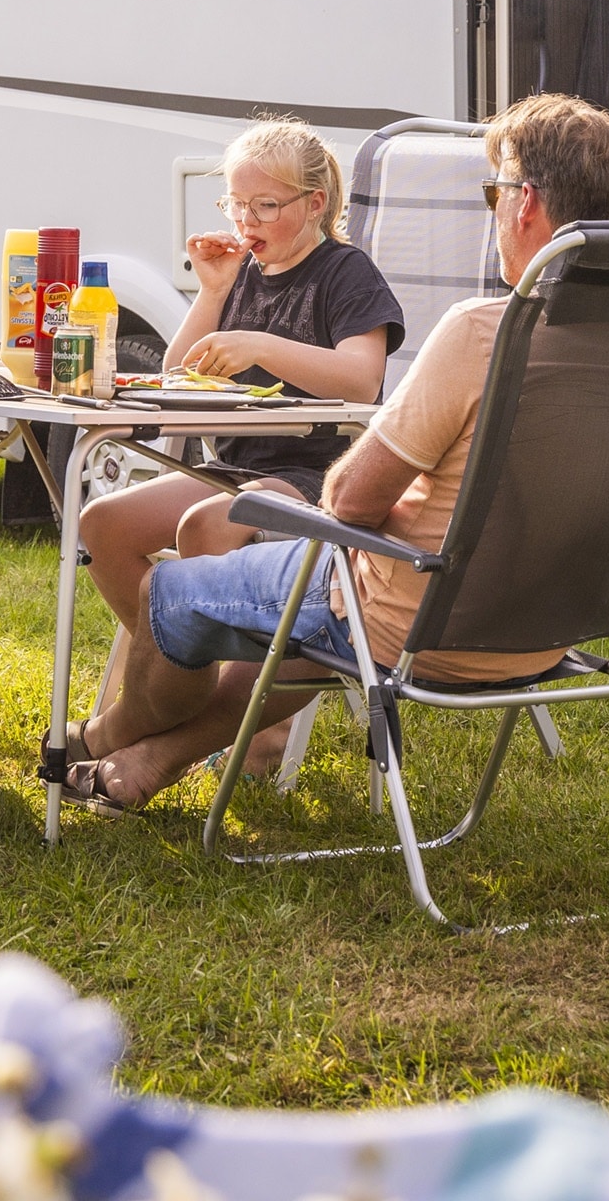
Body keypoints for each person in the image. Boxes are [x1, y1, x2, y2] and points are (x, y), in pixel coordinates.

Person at [64, 93, 609, 811]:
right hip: (553, 622)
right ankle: (156, 754)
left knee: (168, 593)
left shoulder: (478, 332)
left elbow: (348, 502)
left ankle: (100, 736)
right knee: (163, 541)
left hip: (408, 613)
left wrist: (379, 513)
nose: (492, 210)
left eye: (494, 192)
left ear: (525, 207)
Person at [61, 118, 401, 771]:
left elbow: (362, 376)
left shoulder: (345, 273)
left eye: (265, 206)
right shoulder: (243, 275)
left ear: (314, 204)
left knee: (207, 526)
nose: (247, 219)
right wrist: (215, 291)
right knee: (103, 524)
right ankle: (189, 689)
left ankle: (238, 719)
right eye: (236, 204)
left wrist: (261, 346)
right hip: (236, 464)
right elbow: (175, 377)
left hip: (317, 473)